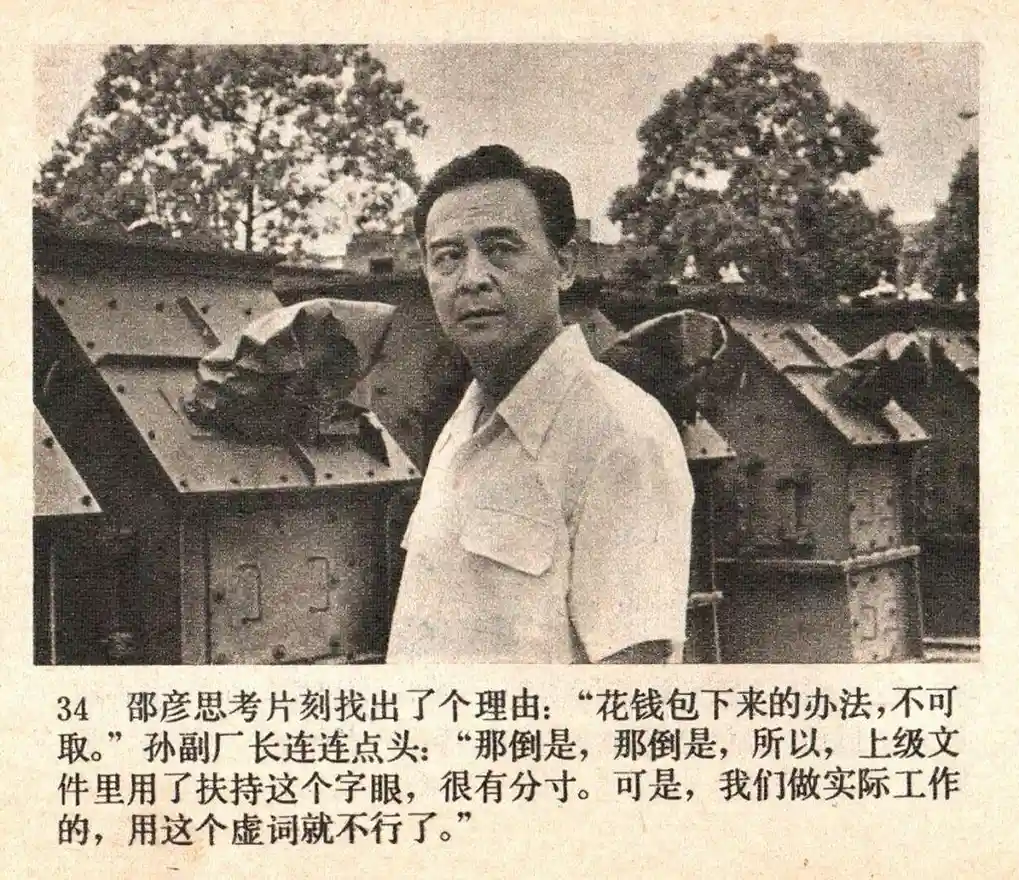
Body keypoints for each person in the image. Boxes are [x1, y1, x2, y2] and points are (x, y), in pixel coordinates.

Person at [385, 145, 694, 664]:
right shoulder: (462, 426)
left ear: (564, 265)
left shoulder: (622, 435)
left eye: (501, 249)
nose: (472, 278)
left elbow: (631, 681)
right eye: (447, 257)